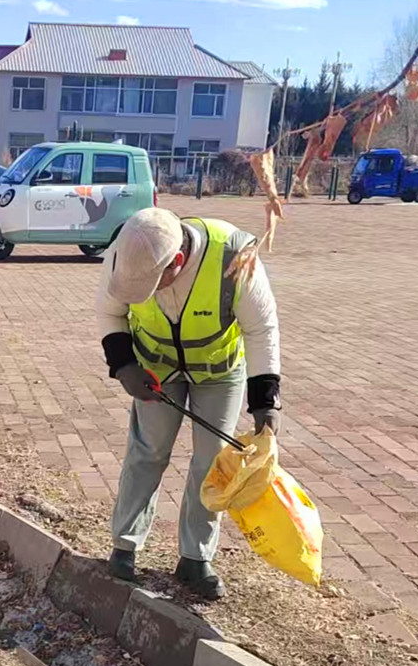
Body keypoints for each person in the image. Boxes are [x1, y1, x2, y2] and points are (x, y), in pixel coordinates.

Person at [96, 206, 281, 600]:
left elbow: (261, 329)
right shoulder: (126, 249)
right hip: (155, 368)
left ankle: (196, 558)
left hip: (219, 371)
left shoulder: (234, 256)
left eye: (152, 283)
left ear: (177, 261)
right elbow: (110, 310)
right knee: (147, 452)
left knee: (212, 461)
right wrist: (124, 364)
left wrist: (265, 400)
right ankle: (124, 545)